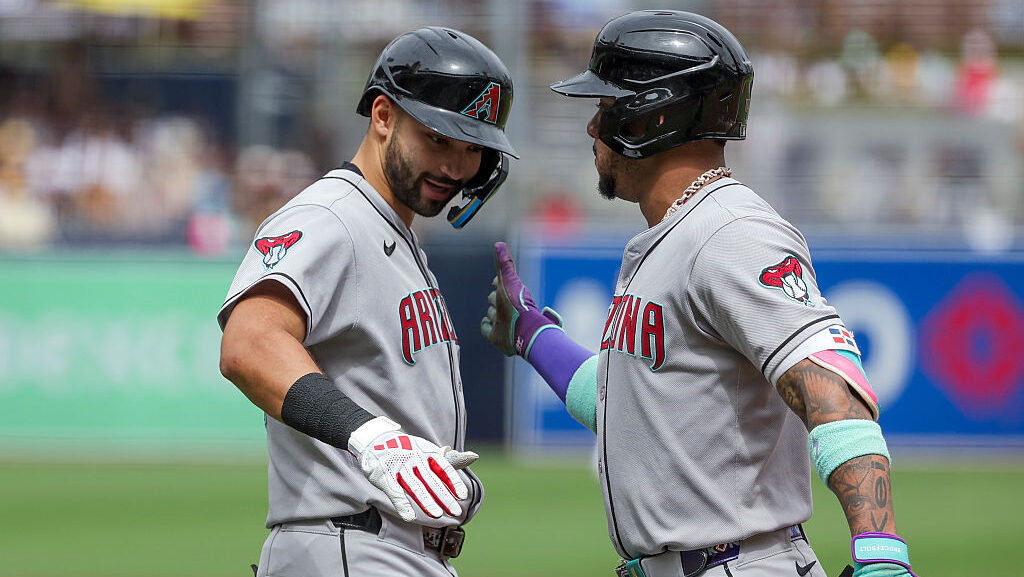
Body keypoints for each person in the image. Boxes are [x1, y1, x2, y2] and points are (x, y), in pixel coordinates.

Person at [481, 11, 918, 577]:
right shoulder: (679, 233)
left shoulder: (731, 230)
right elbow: (632, 407)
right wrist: (535, 337)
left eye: (606, 106)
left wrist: (880, 551)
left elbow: (832, 387)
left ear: (653, 116)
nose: (592, 126)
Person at [219, 26, 517, 577]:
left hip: (388, 550)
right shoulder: (332, 217)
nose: (455, 167)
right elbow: (248, 342)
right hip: (348, 544)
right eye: (439, 139)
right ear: (384, 116)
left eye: (473, 148)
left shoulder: (393, 234)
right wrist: (372, 437)